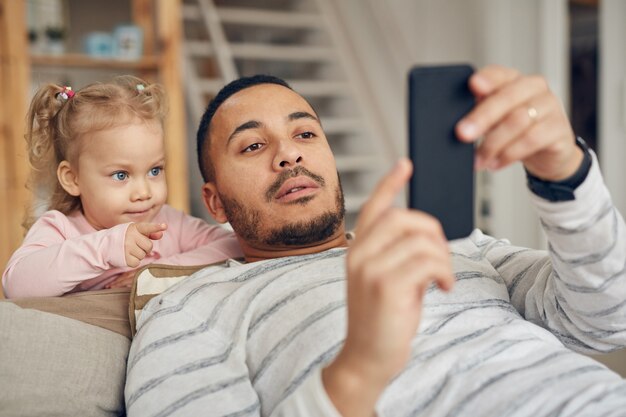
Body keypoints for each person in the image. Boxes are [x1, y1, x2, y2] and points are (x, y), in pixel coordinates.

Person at [125, 66, 626, 417]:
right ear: (214, 203)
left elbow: (607, 323)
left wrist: (566, 173)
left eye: (306, 135)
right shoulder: (189, 308)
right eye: (253, 145)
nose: (288, 157)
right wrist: (359, 369)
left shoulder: (454, 244)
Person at [2, 76, 242, 298]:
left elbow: (235, 244)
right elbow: (16, 286)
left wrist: (154, 272)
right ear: (72, 178)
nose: (143, 193)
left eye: (154, 171)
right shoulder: (60, 228)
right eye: (121, 175)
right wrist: (106, 248)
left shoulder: (168, 223)